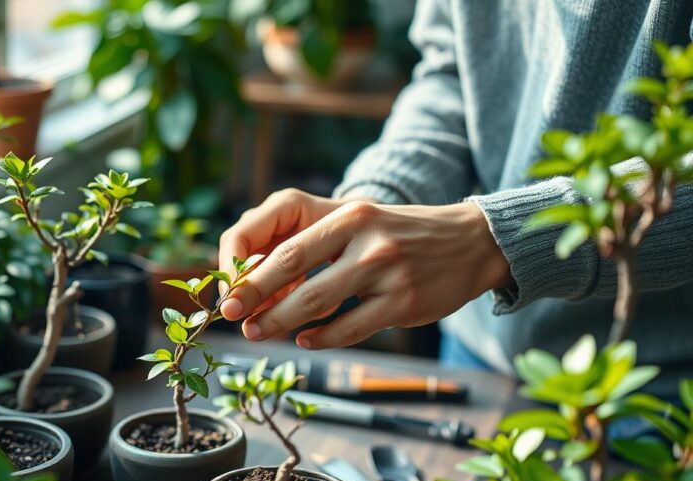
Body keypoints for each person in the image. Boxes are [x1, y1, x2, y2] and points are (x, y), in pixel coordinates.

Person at [218, 0, 693, 398]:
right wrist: (377, 201)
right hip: (476, 360)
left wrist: (498, 239)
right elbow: (451, 75)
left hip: (654, 390)